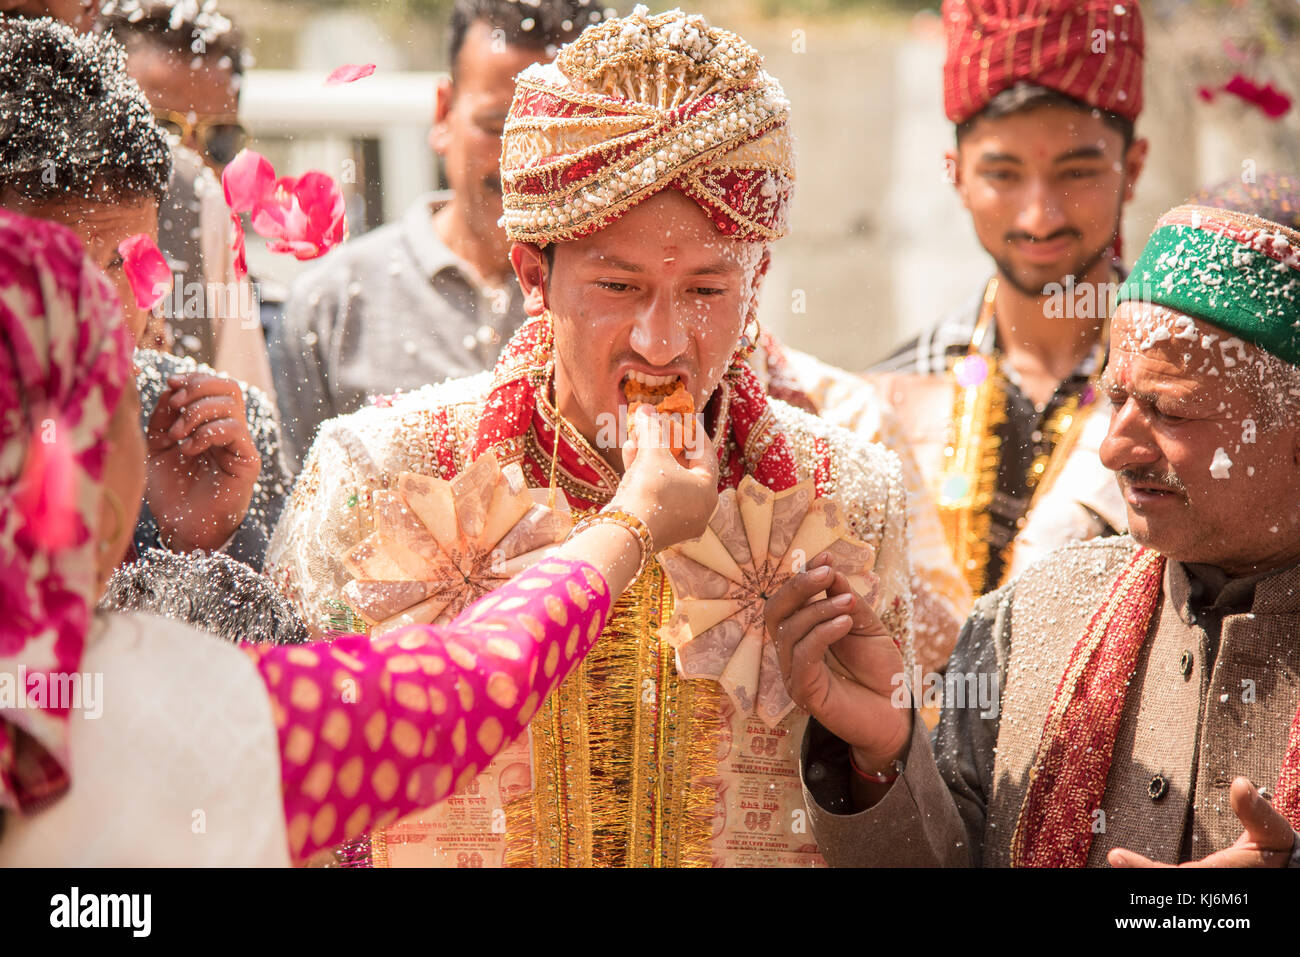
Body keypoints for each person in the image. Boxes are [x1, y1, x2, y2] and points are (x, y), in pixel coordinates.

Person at [267, 6, 915, 868]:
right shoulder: (382, 473)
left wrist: (880, 755)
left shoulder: (848, 496)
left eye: (707, 291)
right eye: (618, 284)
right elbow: (284, 814)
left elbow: (927, 850)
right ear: (534, 270)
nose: (663, 341)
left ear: (756, 284)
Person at [0, 206, 720, 864]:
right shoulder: (170, 705)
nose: (661, 341)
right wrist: (635, 519)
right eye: (124, 396)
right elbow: (465, 689)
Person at [768, 203, 1300, 867]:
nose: (1114, 449)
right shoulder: (1029, 619)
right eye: (1116, 400)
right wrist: (883, 753)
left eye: (1169, 411)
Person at [867, 0, 1147, 595]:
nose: (1039, 215)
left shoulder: (1190, 396)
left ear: (1135, 165)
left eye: (1077, 172)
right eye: (1003, 174)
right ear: (957, 175)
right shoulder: (886, 399)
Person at [0, 16, 289, 571]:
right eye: (58, 268)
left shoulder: (212, 437)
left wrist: (200, 548)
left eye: (126, 260)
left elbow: (274, 658)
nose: (102, 310)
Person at [269, 0, 609, 472]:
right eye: (499, 126)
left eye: (563, 130)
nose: (529, 160)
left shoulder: (627, 304)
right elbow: (290, 524)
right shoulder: (331, 308)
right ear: (444, 112)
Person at [101, 0, 273, 395]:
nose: (189, 160)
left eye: (219, 138)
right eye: (161, 132)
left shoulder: (213, 230)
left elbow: (258, 433)